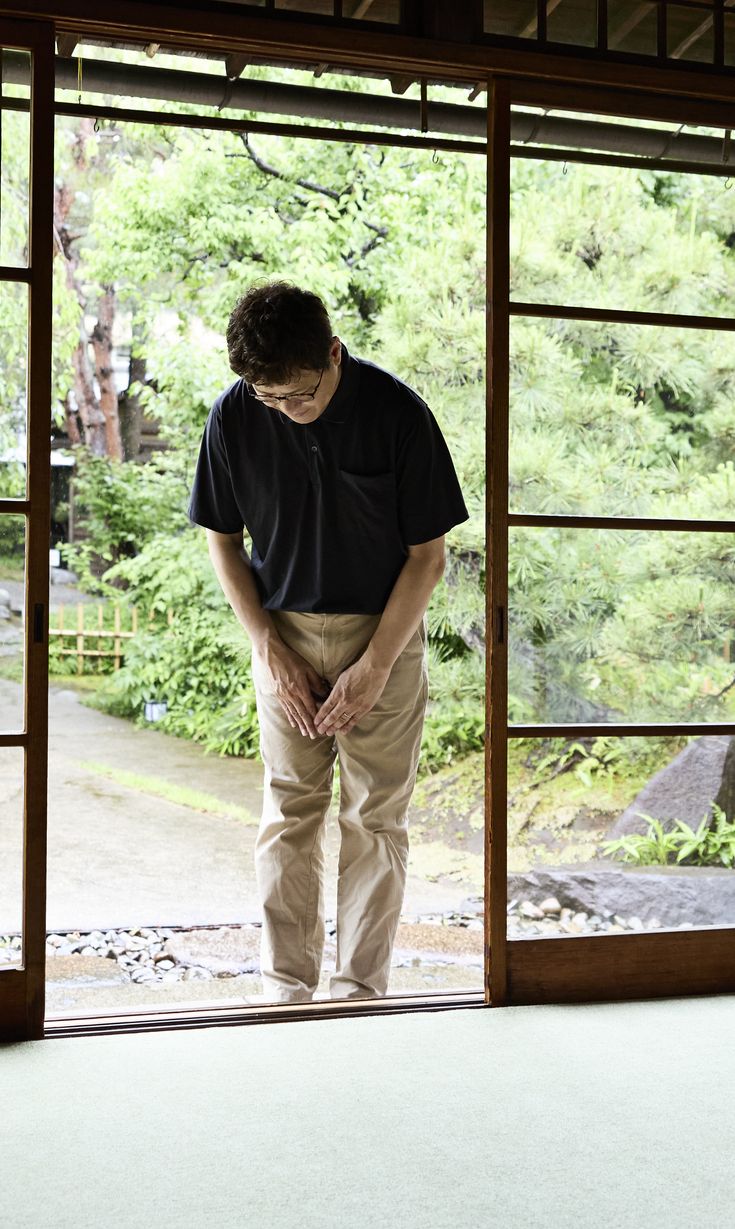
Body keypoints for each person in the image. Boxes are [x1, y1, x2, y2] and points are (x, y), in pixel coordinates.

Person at [188, 281, 468, 1003]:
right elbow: (222, 540)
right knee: (288, 811)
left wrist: (375, 665)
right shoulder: (233, 414)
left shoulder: (398, 413)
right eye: (269, 397)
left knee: (375, 815)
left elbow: (426, 556)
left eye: (300, 395)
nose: (285, 410)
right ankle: (285, 982)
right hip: (279, 631)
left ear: (333, 354)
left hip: (383, 633)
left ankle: (359, 986)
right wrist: (266, 647)